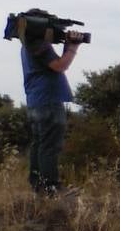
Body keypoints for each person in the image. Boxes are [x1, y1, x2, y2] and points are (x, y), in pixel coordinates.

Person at [18, 11, 83, 195]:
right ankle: (51, 186)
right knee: (49, 145)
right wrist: (72, 47)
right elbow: (59, 65)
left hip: (36, 101)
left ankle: (38, 185)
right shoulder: (39, 45)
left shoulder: (28, 45)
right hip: (48, 100)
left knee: (39, 143)